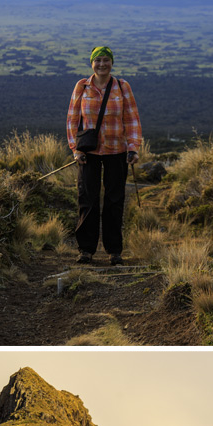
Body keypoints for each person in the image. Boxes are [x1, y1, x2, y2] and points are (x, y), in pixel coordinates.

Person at [67, 46, 142, 266]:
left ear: (112, 63)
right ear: (91, 63)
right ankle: (86, 250)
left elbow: (131, 119)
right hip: (88, 152)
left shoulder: (122, 86)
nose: (102, 64)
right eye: (97, 60)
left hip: (117, 151)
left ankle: (114, 250)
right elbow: (72, 119)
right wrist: (75, 149)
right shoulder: (82, 86)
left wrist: (133, 147)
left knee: (114, 200)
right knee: (87, 200)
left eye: (106, 60)